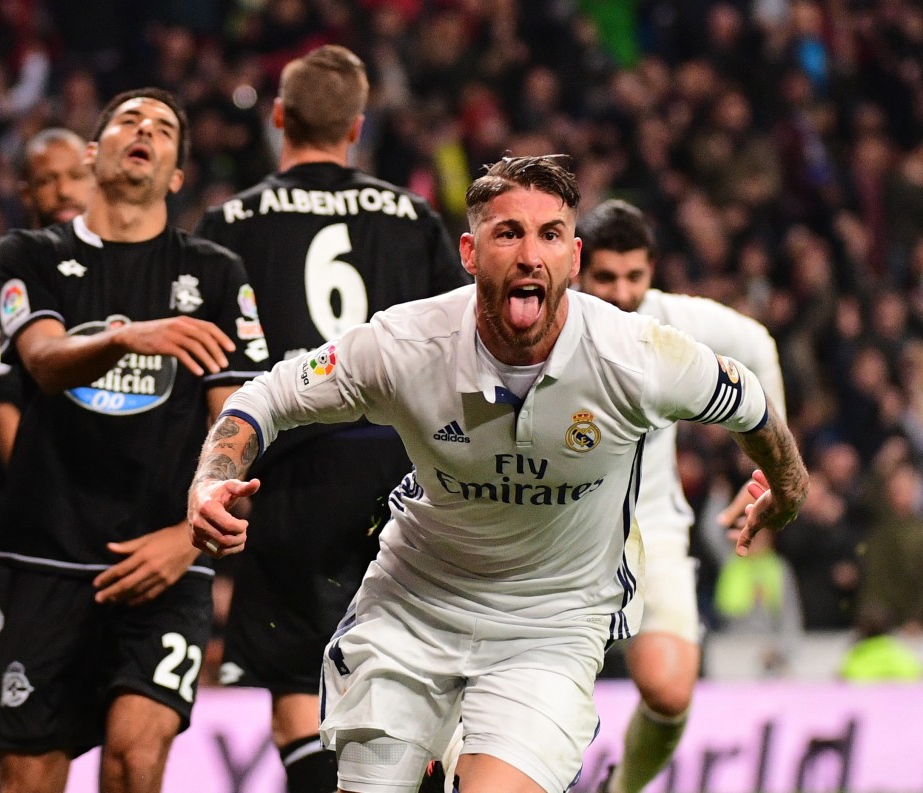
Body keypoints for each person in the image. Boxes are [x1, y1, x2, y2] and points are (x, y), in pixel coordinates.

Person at [188, 155, 809, 793]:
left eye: (549, 235)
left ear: (573, 255)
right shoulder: (407, 345)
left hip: (551, 622)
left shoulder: (637, 356)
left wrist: (787, 483)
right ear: (469, 252)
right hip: (413, 609)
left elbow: (752, 405)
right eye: (508, 232)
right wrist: (212, 476)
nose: (529, 254)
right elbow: (266, 398)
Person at [193, 44, 468, 793]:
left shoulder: (230, 221)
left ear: (279, 117)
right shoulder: (412, 217)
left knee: (297, 699)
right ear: (357, 125)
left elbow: (211, 370)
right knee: (419, 678)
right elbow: (461, 350)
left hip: (287, 477)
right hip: (401, 474)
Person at [0, 88, 268, 793]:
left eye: (164, 127)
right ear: (94, 153)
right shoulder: (31, 254)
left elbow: (240, 421)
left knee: (136, 760)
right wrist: (130, 336)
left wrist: (190, 537)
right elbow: (46, 361)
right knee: (26, 775)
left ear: (176, 173)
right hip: (47, 556)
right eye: (128, 121)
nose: (145, 130)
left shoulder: (214, 275)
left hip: (167, 564)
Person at [572, 198, 789, 793]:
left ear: (652, 271)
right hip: (553, 533)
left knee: (669, 694)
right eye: (606, 278)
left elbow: (756, 346)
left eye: (634, 277)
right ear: (577, 268)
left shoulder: (671, 320)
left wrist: (771, 465)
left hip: (649, 530)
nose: (621, 292)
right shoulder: (549, 324)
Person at [0, 127, 92, 793]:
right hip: (12, 535)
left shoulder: (110, 275)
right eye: (48, 179)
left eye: (74, 175)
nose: (63, 190)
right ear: (25, 191)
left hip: (94, 534)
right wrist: (63, 497)